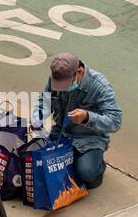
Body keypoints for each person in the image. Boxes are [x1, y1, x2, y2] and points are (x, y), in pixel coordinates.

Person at [32, 52, 123, 189]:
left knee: (87, 173)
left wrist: (87, 117)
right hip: (60, 135)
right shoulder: (56, 79)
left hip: (89, 140)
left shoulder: (99, 86)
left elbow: (115, 121)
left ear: (79, 72)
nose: (63, 88)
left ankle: (97, 166)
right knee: (36, 164)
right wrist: (37, 119)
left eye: (66, 84)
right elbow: (44, 102)